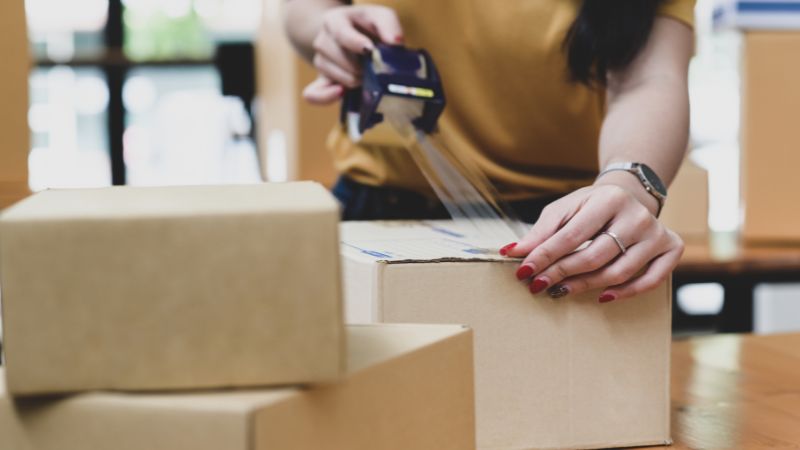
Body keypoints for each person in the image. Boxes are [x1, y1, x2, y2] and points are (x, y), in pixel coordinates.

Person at [284, 0, 695, 303]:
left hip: (563, 232)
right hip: (376, 211)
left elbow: (650, 78)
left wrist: (629, 183)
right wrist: (327, 28)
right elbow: (305, 10)